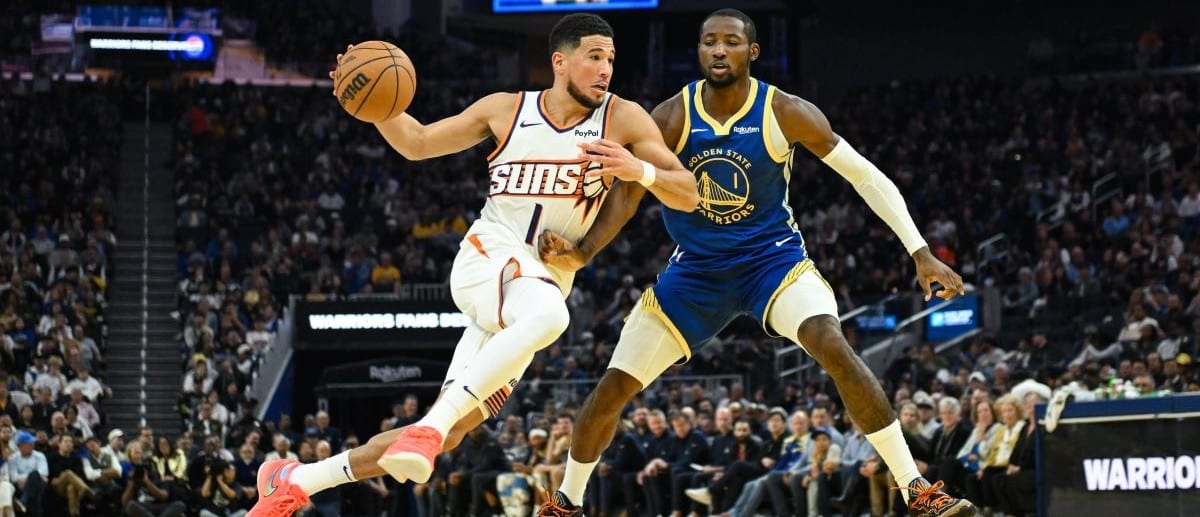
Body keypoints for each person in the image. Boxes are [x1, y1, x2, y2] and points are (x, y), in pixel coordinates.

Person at [247, 12, 698, 517]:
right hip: (491, 256)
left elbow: (689, 193)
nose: (605, 69)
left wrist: (638, 169)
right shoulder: (506, 110)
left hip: (539, 285)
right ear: (560, 62)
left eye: (610, 59)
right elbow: (417, 143)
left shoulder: (624, 119)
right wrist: (370, 102)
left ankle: (294, 479)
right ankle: (428, 427)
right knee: (550, 321)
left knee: (454, 432)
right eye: (594, 57)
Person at [536, 8, 973, 517]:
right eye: (708, 43)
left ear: (752, 51)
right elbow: (628, 195)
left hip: (773, 263)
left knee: (832, 343)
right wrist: (584, 252)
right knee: (613, 386)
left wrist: (920, 251)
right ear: (698, 51)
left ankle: (915, 487)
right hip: (695, 272)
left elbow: (865, 176)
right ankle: (566, 502)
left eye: (730, 42)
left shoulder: (785, 111)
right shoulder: (671, 115)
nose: (718, 51)